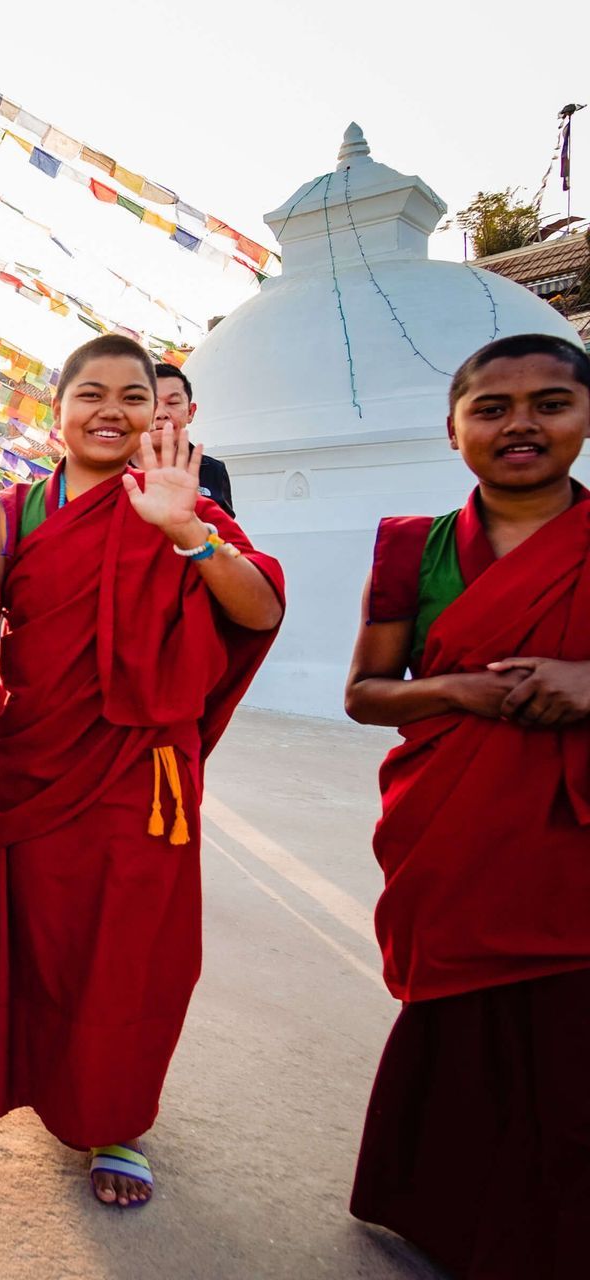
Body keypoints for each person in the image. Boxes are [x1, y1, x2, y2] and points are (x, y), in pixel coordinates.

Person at [0, 333, 284, 1208]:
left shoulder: (175, 501)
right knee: (46, 938)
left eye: (134, 396)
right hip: (39, 760)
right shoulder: (16, 514)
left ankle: (118, 1117)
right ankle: (53, 1081)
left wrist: (185, 530)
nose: (112, 410)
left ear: (162, 413)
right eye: (91, 393)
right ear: (56, 409)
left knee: (132, 952)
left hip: (141, 772)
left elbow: (259, 608)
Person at [343, 333, 590, 1279]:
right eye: (492, 407)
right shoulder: (416, 548)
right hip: (451, 826)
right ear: (454, 432)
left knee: (569, 1050)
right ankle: (438, 1216)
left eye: (550, 402)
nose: (520, 423)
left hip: (570, 833)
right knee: (457, 1028)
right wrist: (457, 693)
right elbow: (368, 693)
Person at [152, 363, 234, 516]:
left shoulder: (212, 471)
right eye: (151, 403)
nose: (161, 413)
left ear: (190, 412)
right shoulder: (112, 469)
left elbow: (227, 537)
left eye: (173, 403)